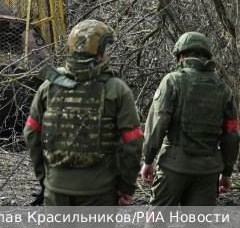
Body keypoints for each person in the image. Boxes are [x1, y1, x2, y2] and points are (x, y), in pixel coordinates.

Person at [23, 19, 144, 206]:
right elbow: (133, 142)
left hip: (56, 190)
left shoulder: (49, 87)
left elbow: (31, 133)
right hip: (99, 192)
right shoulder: (117, 89)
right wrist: (126, 187)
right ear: (101, 52)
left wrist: (45, 178)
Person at [141, 32, 240, 206]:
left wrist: (148, 160)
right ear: (206, 56)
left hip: (173, 167)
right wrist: (227, 172)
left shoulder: (172, 81)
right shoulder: (223, 88)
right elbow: (231, 133)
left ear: (181, 56)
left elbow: (157, 124)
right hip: (207, 171)